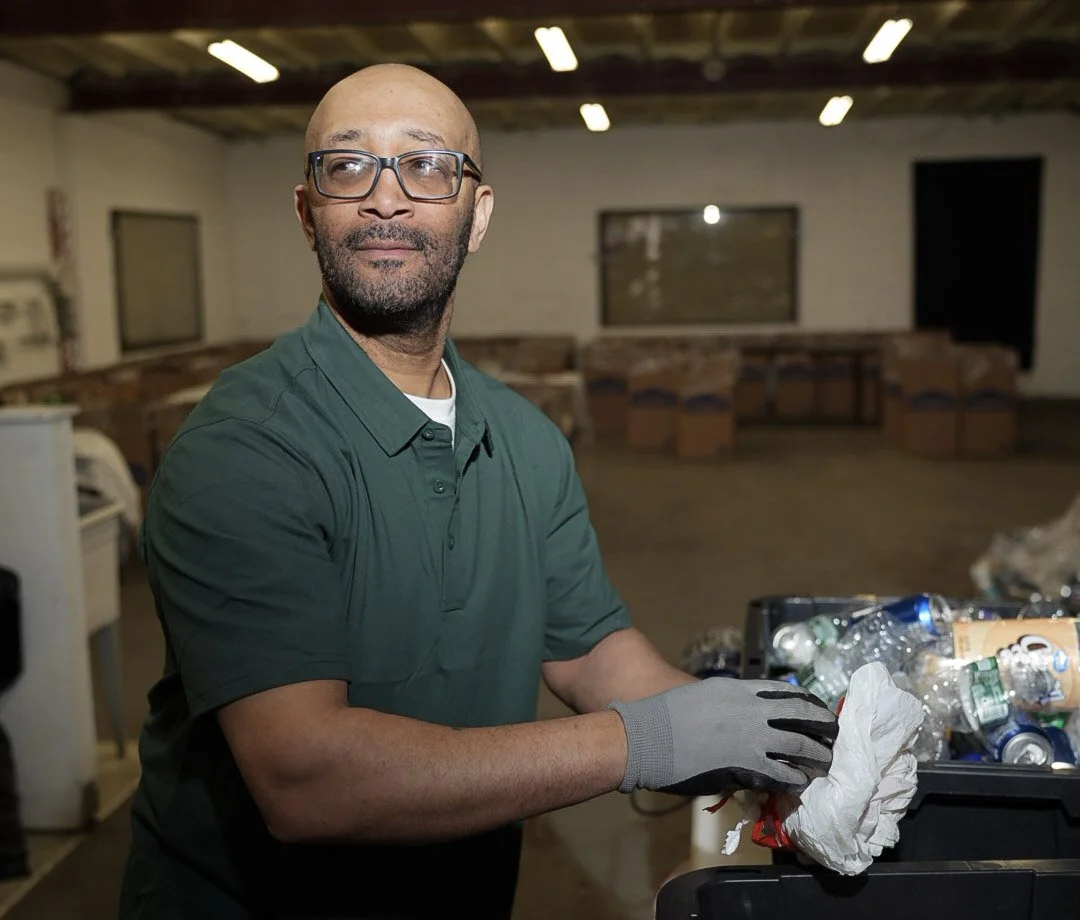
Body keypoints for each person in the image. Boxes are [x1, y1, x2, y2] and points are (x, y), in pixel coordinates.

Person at [118, 64, 837, 920]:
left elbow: (593, 655)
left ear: (477, 213)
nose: (387, 200)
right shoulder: (244, 450)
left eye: (426, 166)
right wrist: (647, 743)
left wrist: (776, 733)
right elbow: (308, 779)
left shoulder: (525, 439)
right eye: (348, 167)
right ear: (309, 211)